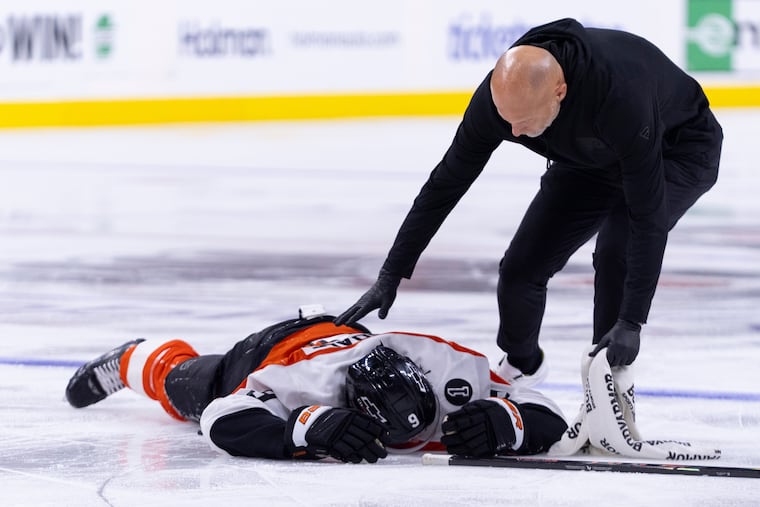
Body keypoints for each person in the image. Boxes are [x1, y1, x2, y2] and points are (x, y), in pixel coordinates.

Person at [335, 18, 722, 384]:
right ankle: (522, 365)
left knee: (616, 246)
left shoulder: (619, 94)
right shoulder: (501, 103)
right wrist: (392, 273)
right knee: (520, 270)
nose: (515, 133)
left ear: (560, 91)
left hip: (677, 150)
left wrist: (631, 321)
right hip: (587, 157)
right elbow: (445, 184)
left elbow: (647, 217)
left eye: (523, 123)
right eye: (508, 121)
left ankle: (609, 382)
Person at [65, 307, 567, 463]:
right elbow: (221, 418)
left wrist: (508, 421)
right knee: (187, 385)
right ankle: (132, 357)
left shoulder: (449, 370)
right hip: (267, 351)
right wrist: (308, 426)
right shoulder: (301, 384)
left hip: (348, 330)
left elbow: (540, 405)